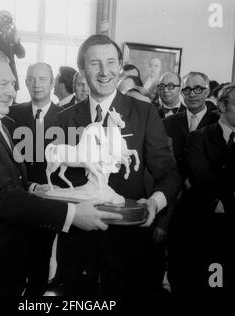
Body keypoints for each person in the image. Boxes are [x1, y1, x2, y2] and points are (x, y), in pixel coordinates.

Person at [0, 50, 121, 296]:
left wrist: (32, 187)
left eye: (12, 83)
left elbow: (1, 178)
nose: (12, 91)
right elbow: (1, 196)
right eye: (3, 84)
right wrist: (72, 214)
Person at [56, 34, 182, 296]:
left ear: (120, 66)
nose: (104, 72)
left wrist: (155, 202)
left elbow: (169, 175)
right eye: (95, 64)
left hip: (129, 244)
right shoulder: (64, 118)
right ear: (81, 70)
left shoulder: (144, 113)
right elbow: (56, 183)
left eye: (111, 62)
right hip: (78, 245)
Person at [175, 81, 235, 295]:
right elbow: (201, 178)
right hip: (197, 225)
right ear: (221, 106)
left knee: (223, 286)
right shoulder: (198, 137)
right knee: (192, 284)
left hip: (233, 231)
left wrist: (218, 184)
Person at [8, 62, 62, 296]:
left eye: (42, 79)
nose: (36, 84)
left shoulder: (64, 116)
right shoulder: (12, 114)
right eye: (31, 79)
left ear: (52, 83)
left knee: (41, 259)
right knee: (14, 258)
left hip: (49, 199)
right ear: (25, 82)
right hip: (18, 195)